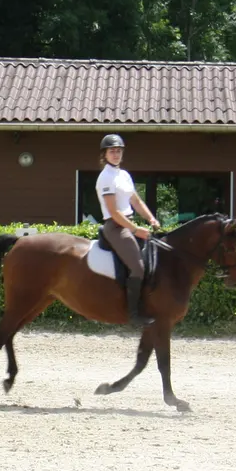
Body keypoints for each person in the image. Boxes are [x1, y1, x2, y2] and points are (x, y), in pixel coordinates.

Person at [95, 134, 158, 327]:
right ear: (104, 154)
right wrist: (135, 229)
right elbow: (114, 212)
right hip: (116, 226)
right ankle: (132, 314)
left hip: (128, 223)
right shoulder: (106, 177)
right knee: (138, 268)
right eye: (112, 151)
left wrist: (150, 218)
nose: (116, 154)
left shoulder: (123, 175)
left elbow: (135, 201)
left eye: (119, 151)